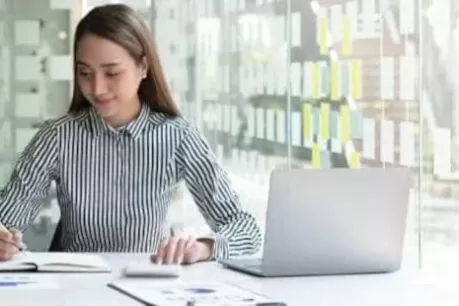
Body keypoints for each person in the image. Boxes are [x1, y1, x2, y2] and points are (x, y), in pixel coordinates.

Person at [0, 4, 261, 264]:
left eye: (112, 73)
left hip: (151, 285)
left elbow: (245, 230)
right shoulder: (56, 137)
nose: (97, 88)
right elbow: (6, 221)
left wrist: (204, 247)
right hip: (75, 288)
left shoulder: (178, 137)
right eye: (85, 73)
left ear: (143, 67)